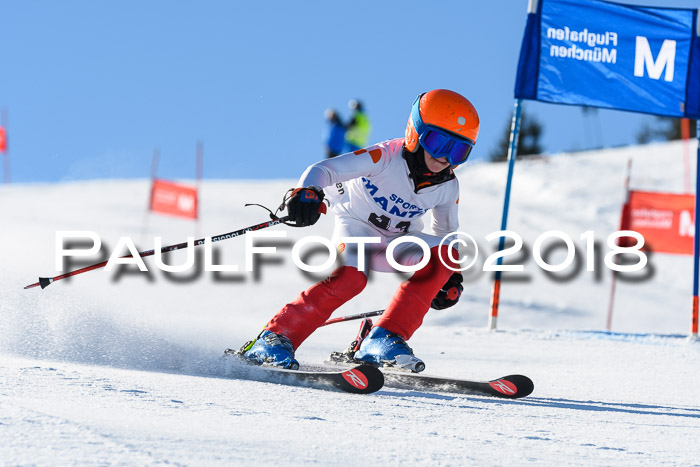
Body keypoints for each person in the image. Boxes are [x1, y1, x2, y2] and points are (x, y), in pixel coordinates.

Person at [239, 89, 478, 373]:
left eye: (459, 150)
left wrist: (448, 277)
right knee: (351, 279)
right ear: (416, 133)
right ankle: (274, 338)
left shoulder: (447, 186)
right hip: (356, 229)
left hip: (398, 243)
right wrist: (307, 192)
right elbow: (323, 169)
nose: (446, 157)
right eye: (439, 143)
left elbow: (445, 236)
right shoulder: (385, 157)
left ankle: (384, 338)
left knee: (449, 254)